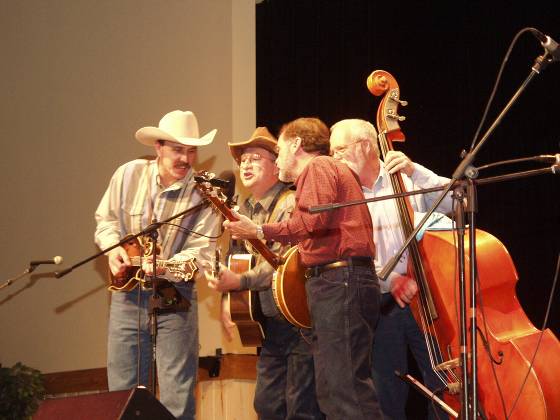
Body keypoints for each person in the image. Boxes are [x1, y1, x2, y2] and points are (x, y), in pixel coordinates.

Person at [223, 117, 383, 419]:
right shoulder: (327, 171)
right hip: (339, 283)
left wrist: (258, 231)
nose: (280, 157)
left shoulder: (318, 167)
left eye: (280, 148)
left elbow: (311, 222)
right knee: (336, 391)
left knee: (344, 392)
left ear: (296, 144)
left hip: (340, 283)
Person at [94, 110, 221, 420]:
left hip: (174, 295)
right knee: (122, 393)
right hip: (127, 295)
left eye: (192, 151)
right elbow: (105, 220)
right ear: (158, 148)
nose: (186, 158)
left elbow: (202, 253)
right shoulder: (127, 175)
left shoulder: (205, 194)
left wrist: (164, 267)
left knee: (177, 395)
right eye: (178, 149)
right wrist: (112, 250)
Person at [330, 118, 453, 420]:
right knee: (386, 395)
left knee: (444, 388)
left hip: (426, 300)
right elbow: (347, 255)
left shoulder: (405, 178)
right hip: (380, 305)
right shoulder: (342, 195)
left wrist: (415, 170)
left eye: (339, 150)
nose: (333, 159)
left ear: (365, 146)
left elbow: (454, 200)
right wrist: (391, 279)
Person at [204, 127, 325, 419]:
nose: (245, 164)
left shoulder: (290, 204)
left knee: (301, 408)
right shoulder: (244, 208)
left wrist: (240, 281)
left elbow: (284, 263)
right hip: (269, 323)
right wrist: (227, 299)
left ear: (276, 164)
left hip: (298, 321)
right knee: (268, 406)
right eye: (243, 159)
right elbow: (237, 260)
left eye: (255, 158)